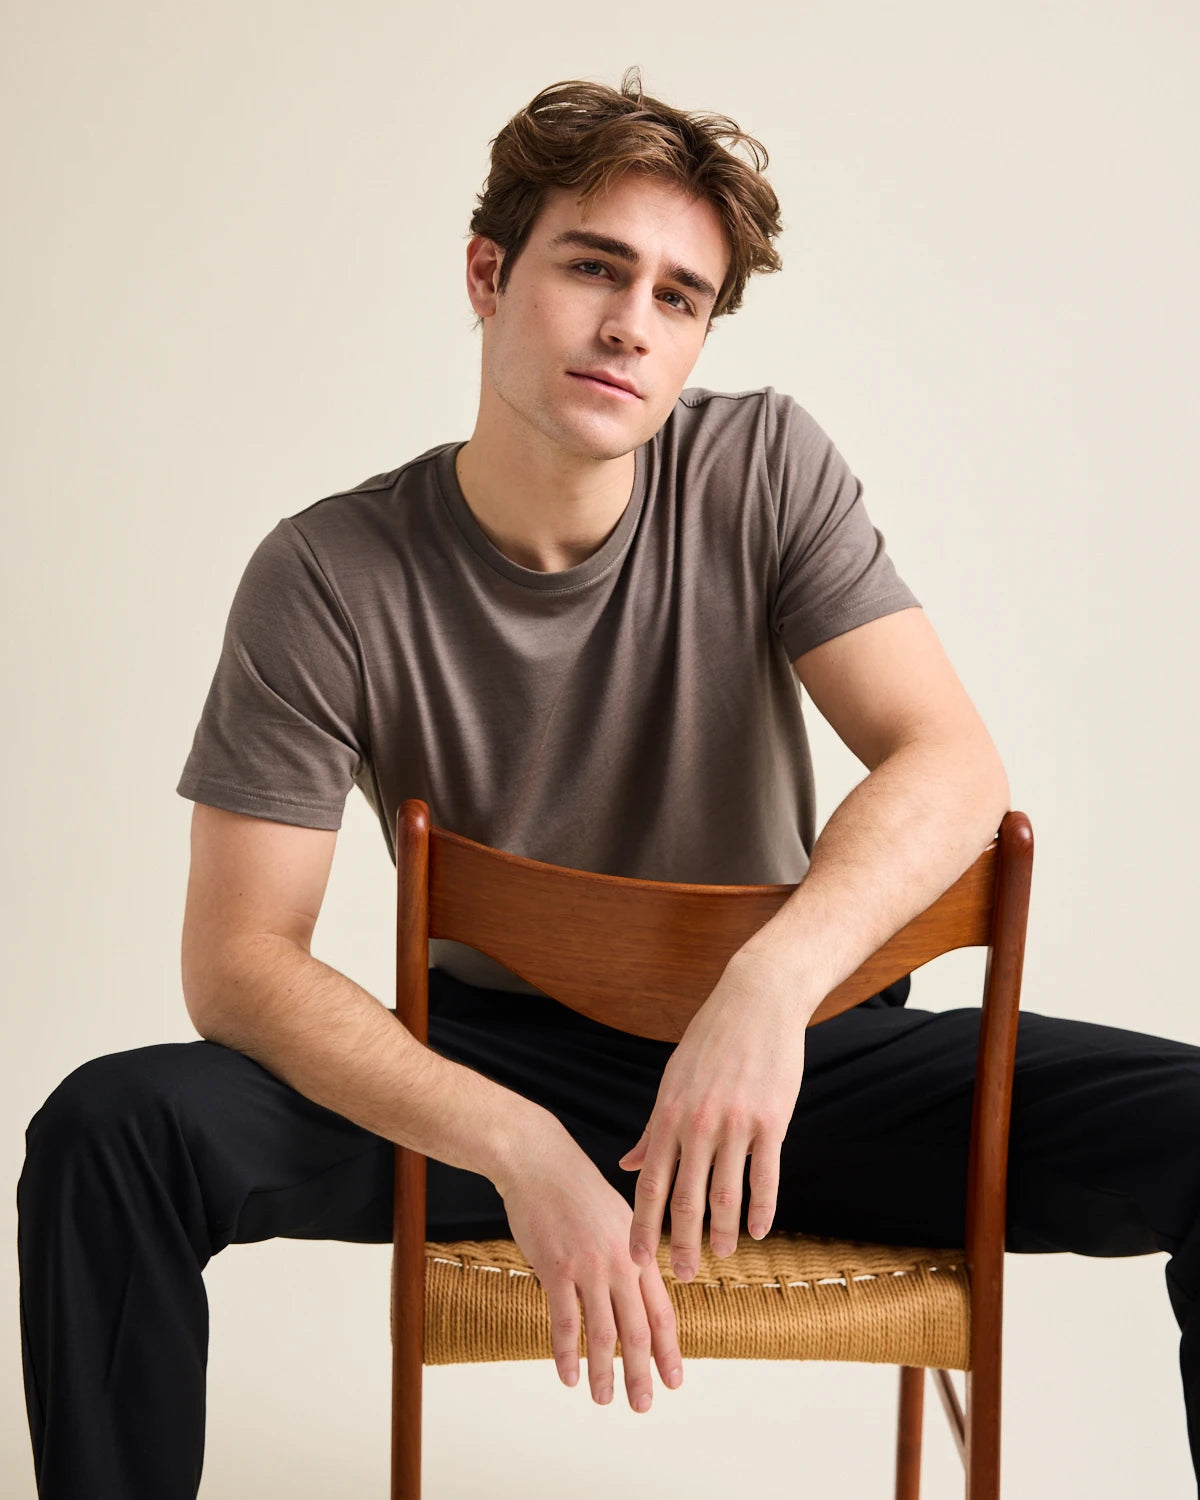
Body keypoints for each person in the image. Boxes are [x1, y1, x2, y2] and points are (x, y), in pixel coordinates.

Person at [17, 67, 1200, 1498]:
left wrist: (765, 996)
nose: (633, 323)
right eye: (594, 267)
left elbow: (949, 760)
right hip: (487, 1071)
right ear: (489, 273)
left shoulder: (765, 465)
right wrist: (519, 1145)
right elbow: (240, 966)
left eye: (680, 297)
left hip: (801, 1069)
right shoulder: (325, 573)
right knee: (112, 1129)